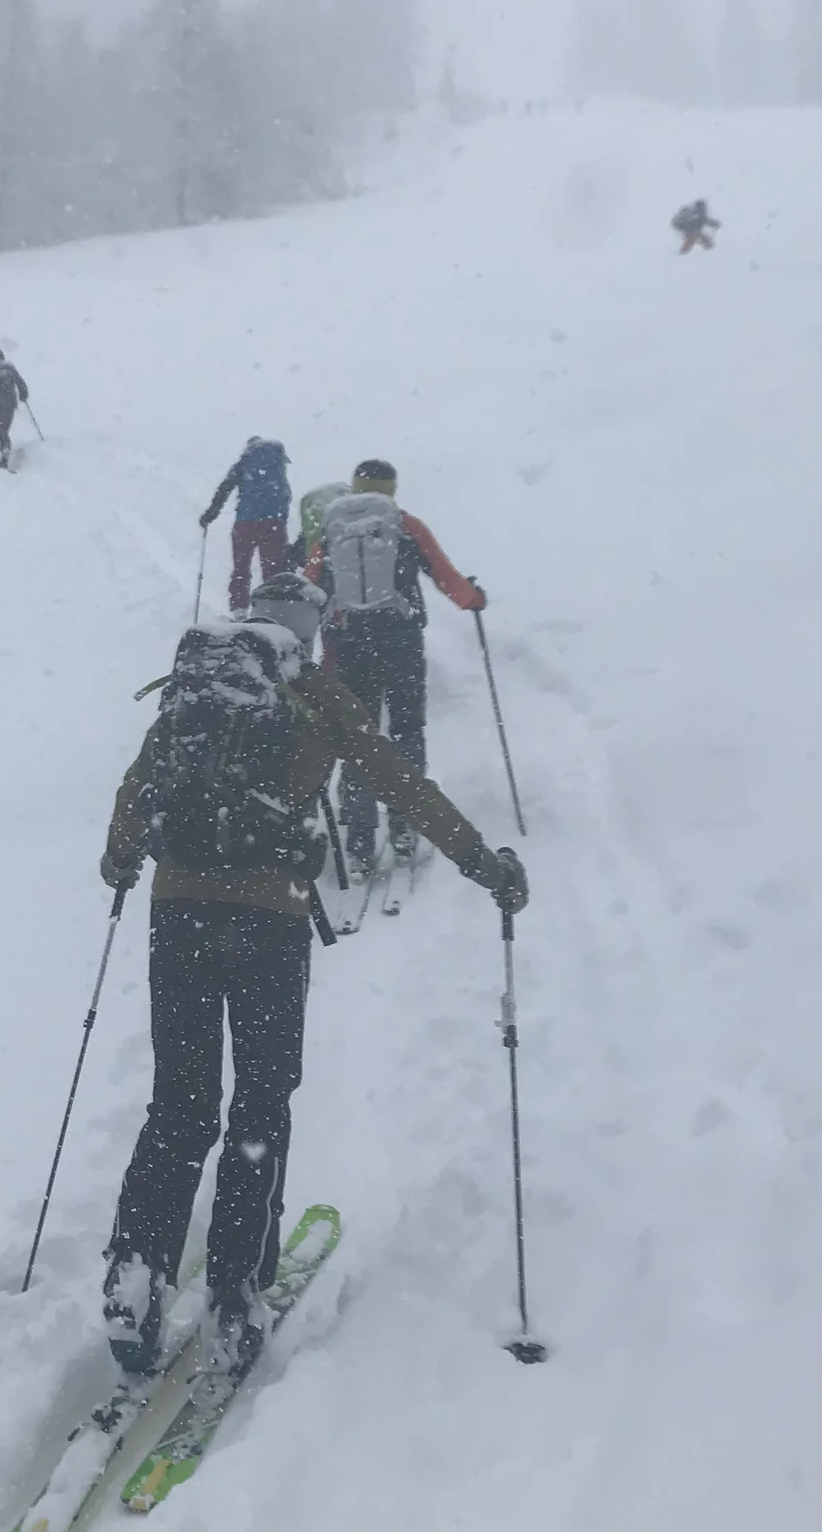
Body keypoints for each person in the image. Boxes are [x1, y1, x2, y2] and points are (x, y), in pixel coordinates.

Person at [98, 569, 527, 1383]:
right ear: (310, 630)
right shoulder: (316, 694)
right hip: (269, 922)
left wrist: (121, 863)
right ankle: (234, 1296)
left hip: (178, 913)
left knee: (179, 1103)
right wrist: (484, 864)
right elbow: (400, 782)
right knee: (260, 1103)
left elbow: (137, 789)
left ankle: (135, 1272)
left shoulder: (198, 684)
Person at [307, 460, 486, 878]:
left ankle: (359, 841)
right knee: (407, 730)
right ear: (391, 489)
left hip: (352, 644)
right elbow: (447, 579)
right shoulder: (406, 526)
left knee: (358, 737)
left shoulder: (332, 531)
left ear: (354, 487)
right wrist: (474, 599)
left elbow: (310, 582)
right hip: (401, 641)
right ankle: (406, 827)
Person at [199, 437, 292, 612]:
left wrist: (210, 515)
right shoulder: (277, 464)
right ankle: (272, 608)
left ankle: (239, 609)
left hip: (245, 523)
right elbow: (285, 495)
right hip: (273, 523)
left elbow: (225, 488)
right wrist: (280, 521)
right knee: (273, 570)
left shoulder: (244, 463)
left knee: (241, 569)